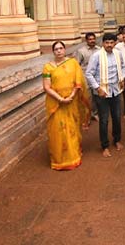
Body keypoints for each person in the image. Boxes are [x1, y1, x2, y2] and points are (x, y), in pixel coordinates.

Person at [42, 41, 90, 170]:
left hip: (71, 101)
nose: (59, 51)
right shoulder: (48, 67)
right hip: (56, 103)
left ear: (64, 50)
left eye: (61, 48)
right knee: (58, 130)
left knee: (72, 128)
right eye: (56, 49)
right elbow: (46, 87)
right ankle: (59, 160)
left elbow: (78, 81)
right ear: (53, 52)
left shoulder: (72, 63)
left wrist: (71, 96)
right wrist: (60, 99)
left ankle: (74, 156)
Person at [85, 33, 125, 158]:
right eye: (107, 42)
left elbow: (123, 67)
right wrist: (98, 88)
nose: (109, 45)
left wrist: (122, 78)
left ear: (115, 43)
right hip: (102, 93)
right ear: (103, 43)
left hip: (116, 90)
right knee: (103, 120)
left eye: (111, 42)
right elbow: (89, 74)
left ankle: (117, 140)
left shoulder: (118, 54)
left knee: (117, 117)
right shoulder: (96, 56)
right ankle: (105, 146)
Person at [75, 32, 101, 125]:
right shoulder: (81, 51)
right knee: (86, 98)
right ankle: (86, 117)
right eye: (90, 39)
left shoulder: (99, 50)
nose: (92, 41)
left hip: (96, 77)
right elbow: (76, 65)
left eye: (93, 39)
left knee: (96, 97)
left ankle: (94, 113)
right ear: (86, 41)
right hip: (85, 78)